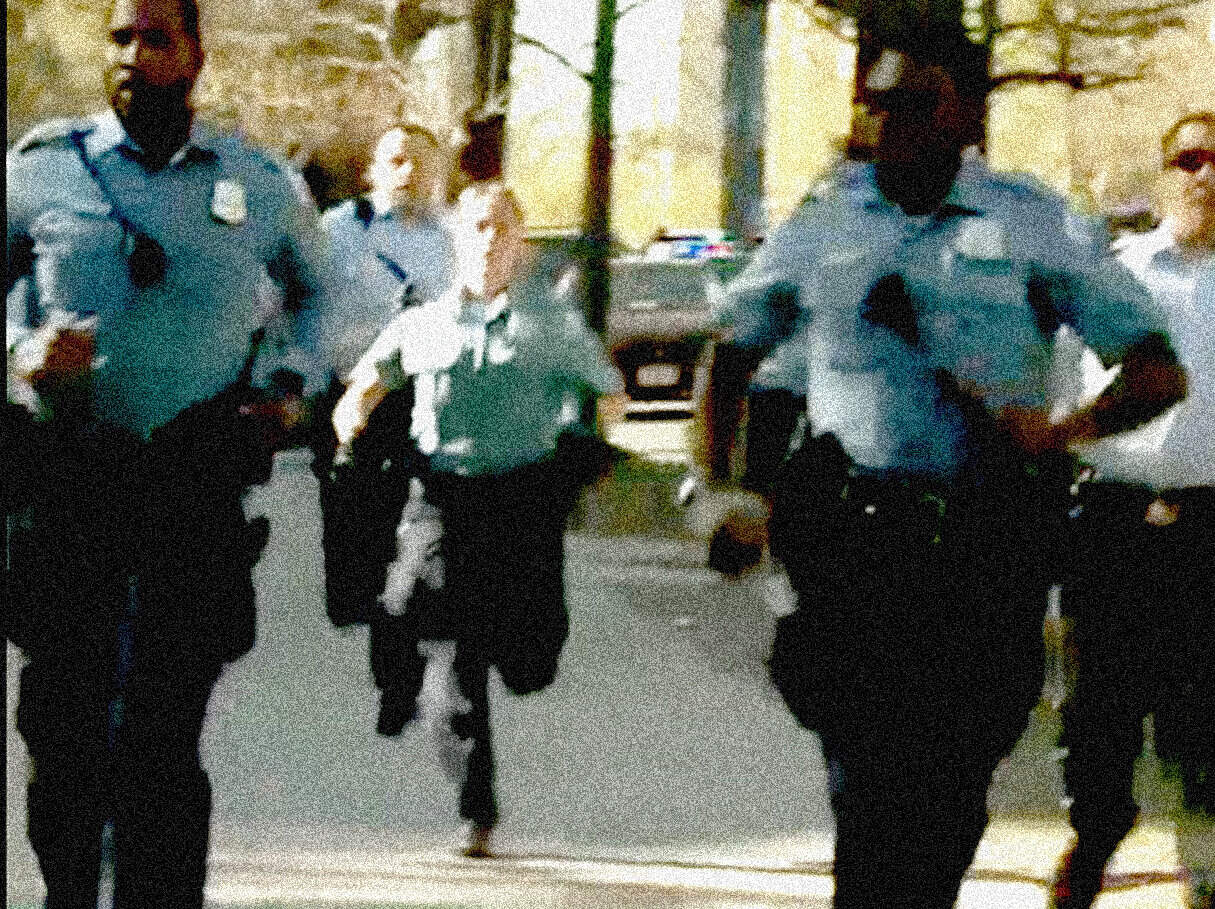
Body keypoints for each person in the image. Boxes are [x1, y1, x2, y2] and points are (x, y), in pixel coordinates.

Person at [695, 25, 1187, 909]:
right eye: (875, 105)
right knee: (867, 785)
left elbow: (1155, 366)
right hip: (854, 541)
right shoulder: (826, 219)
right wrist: (724, 494)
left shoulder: (1030, 223)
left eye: (913, 104)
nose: (889, 125)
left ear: (963, 113)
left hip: (982, 547)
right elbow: (730, 355)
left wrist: (1064, 430)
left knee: (950, 792)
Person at [5, 0, 328, 904]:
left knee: (162, 730)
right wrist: (19, 354)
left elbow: (313, 295)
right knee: (63, 729)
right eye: (118, 38)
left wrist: (289, 385)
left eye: (153, 39)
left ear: (193, 58)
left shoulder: (255, 182)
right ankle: (70, 884)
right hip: (69, 473)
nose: (130, 55)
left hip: (194, 471)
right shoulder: (39, 174)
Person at [332, 182, 623, 858]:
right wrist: (352, 426)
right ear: (456, 240)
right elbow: (367, 385)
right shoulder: (423, 322)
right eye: (476, 228)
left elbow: (608, 393)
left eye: (501, 228)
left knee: (528, 657)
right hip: (443, 497)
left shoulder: (551, 324)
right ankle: (476, 803)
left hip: (524, 499)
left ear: (521, 243)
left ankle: (509, 655)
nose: (488, 240)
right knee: (439, 640)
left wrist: (593, 440)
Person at [1050, 112, 1214, 909]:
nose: (1203, 176)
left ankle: (1204, 871)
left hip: (1211, 526)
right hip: (1114, 526)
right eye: (1187, 159)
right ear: (1163, 174)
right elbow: (1063, 403)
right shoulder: (1114, 279)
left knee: (1205, 718)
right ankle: (1094, 840)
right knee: (1100, 708)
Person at [308, 123, 455, 629]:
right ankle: (360, 601)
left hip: (428, 395)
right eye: (396, 160)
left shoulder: (454, 238)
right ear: (371, 170)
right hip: (355, 391)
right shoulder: (339, 231)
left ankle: (412, 611)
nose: (410, 172)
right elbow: (301, 304)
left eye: (421, 161)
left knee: (426, 513)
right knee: (355, 506)